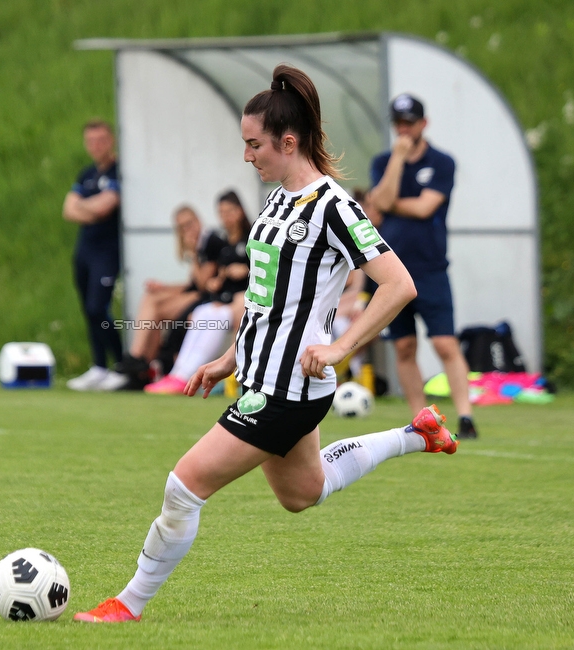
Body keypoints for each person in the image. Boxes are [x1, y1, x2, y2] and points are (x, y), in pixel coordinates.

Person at [73, 65, 458, 624]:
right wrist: (228, 357)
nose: (247, 156)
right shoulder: (276, 204)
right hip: (259, 374)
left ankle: (127, 605)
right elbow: (264, 298)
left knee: (183, 486)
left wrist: (341, 346)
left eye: (254, 145)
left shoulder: (333, 206)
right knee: (303, 492)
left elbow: (398, 284)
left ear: (288, 141)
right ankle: (415, 434)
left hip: (290, 388)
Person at [367, 94, 478, 439]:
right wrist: (398, 161)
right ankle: (422, 421)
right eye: (399, 123)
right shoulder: (384, 161)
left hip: (430, 268)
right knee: (404, 347)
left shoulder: (442, 162)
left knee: (445, 344)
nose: (404, 129)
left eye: (410, 123)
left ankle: (465, 416)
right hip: (391, 271)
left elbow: (425, 208)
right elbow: (379, 203)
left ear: (423, 124)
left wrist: (392, 203)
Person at [143, 190, 252, 394]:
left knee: (212, 315)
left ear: (240, 211)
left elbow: (267, 270)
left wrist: (247, 270)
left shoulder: (253, 237)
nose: (226, 217)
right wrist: (218, 281)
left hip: (243, 303)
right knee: (203, 313)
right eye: (221, 212)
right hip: (225, 300)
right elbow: (215, 278)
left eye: (230, 211)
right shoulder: (225, 243)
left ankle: (186, 377)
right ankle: (178, 374)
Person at [117, 205, 224, 385]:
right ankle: (140, 362)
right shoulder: (201, 244)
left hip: (209, 299)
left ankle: (139, 361)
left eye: (189, 224)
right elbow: (190, 285)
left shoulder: (210, 242)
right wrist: (163, 287)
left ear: (198, 221)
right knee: (152, 296)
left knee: (156, 309)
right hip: (198, 295)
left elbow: (203, 285)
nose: (187, 230)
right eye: (182, 227)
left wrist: (194, 254)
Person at [62, 120, 128, 392]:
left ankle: (121, 365)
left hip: (107, 251)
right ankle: (99, 366)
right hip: (85, 250)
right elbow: (68, 210)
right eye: (91, 141)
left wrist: (85, 208)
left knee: (97, 307)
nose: (96, 146)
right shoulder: (86, 174)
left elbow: (107, 206)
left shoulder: (118, 171)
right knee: (87, 310)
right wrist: (91, 207)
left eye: (101, 140)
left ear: (110, 140)